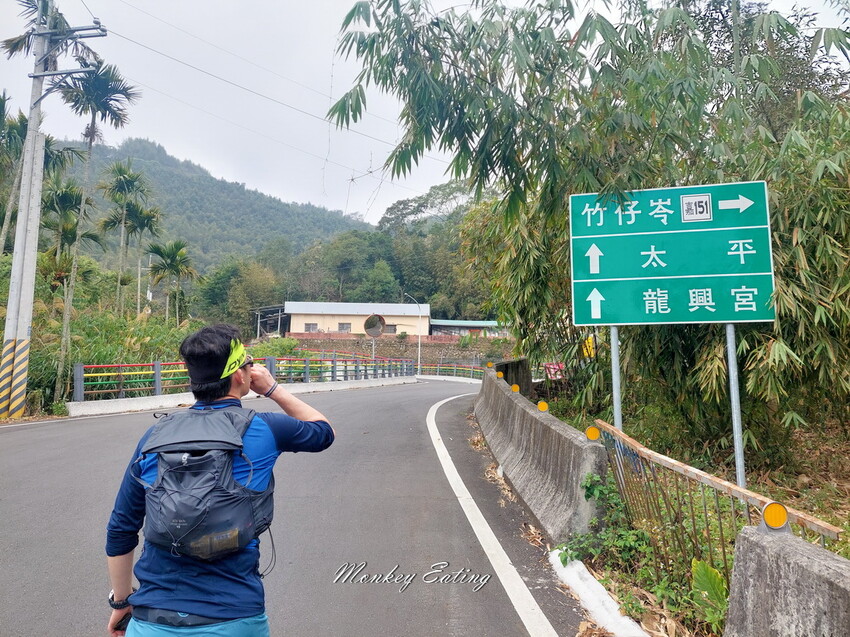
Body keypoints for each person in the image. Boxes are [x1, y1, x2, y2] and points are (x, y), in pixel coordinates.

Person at [105, 324, 335, 636]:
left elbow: (122, 527)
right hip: (235, 617)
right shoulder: (266, 428)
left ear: (193, 379)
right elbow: (323, 432)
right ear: (241, 375)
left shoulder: (155, 436)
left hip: (153, 619)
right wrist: (272, 388)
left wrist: (121, 605)